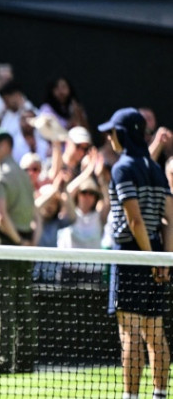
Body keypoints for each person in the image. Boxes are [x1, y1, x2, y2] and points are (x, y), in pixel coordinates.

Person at [99, 108, 173, 399]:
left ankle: (130, 397)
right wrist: (164, 259)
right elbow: (170, 218)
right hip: (154, 252)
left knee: (129, 332)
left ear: (123, 134)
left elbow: (135, 220)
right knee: (154, 331)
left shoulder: (122, 168)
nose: (108, 136)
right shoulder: (156, 169)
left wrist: (150, 258)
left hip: (132, 256)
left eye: (113, 131)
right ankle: (159, 395)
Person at [0, 128, 38, 376]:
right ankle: (25, 361)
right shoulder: (24, 176)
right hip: (23, 246)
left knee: (1, 305)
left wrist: (15, 241)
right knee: (23, 303)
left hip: (3, 245)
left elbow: (0, 216)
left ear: (6, 145)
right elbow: (35, 215)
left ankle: (1, 360)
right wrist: (27, 243)